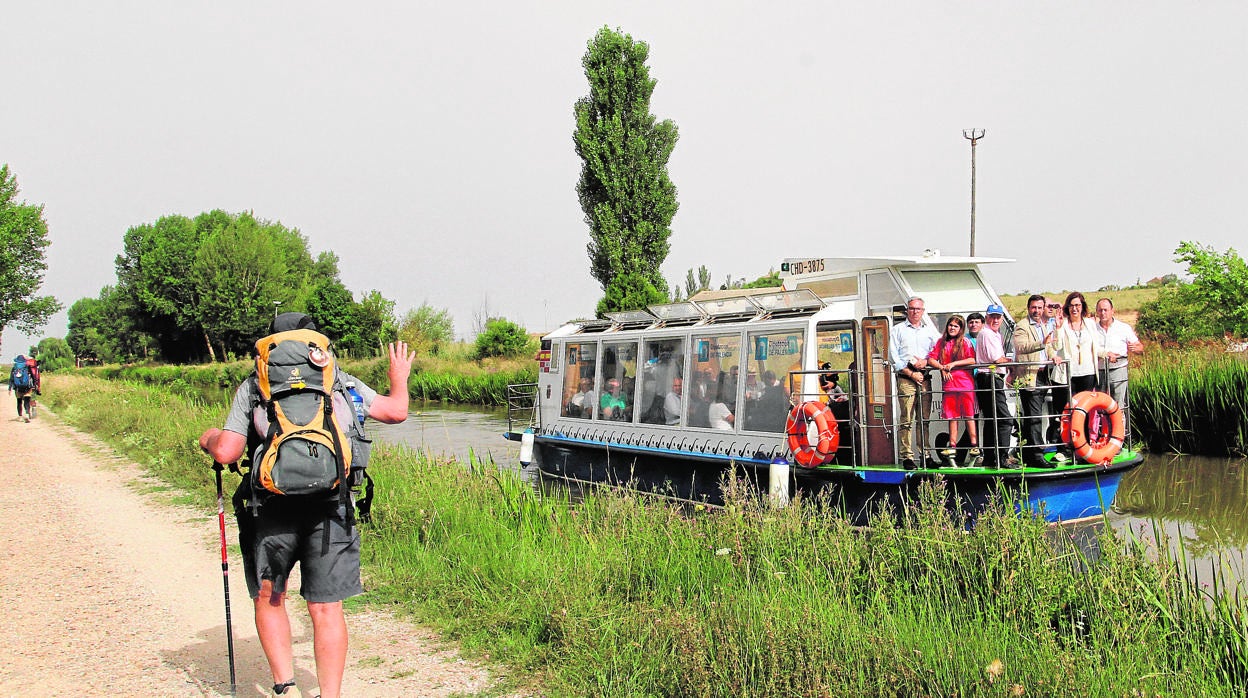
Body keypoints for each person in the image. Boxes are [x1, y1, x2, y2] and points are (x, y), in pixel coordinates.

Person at [199, 313, 414, 698]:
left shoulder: (256, 385)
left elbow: (228, 450)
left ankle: (283, 686)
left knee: (270, 595)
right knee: (326, 607)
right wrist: (399, 377)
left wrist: (209, 438)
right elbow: (396, 412)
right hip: (332, 507)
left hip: (270, 509)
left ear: (271, 347)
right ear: (318, 344)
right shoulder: (338, 381)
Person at [889, 296, 940, 468]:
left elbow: (937, 353)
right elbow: (894, 358)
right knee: (906, 418)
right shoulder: (897, 330)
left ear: (923, 311)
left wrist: (925, 363)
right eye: (912, 308)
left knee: (924, 418)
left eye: (918, 309)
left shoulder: (929, 332)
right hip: (906, 378)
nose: (915, 311)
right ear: (907, 310)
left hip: (925, 378)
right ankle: (907, 457)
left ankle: (925, 453)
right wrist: (911, 373)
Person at [1013, 295, 1060, 467]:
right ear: (1028, 308)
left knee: (1035, 415)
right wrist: (1042, 342)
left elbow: (1048, 347)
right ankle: (1037, 456)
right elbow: (1021, 347)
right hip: (1030, 375)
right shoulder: (1022, 326)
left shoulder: (1042, 325)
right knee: (1034, 416)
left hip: (1043, 374)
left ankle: (1028, 453)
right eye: (1034, 307)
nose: (1037, 311)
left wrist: (1054, 357)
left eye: (1040, 308)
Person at [927, 315, 978, 465]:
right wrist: (942, 367)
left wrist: (953, 364)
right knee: (952, 416)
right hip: (949, 385)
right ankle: (952, 445)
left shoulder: (965, 342)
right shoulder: (941, 342)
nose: (952, 328)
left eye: (956, 326)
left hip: (965, 384)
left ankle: (974, 445)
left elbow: (972, 360)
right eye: (950, 325)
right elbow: (931, 359)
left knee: (969, 415)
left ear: (961, 329)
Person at [975, 304, 1013, 467]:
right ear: (987, 317)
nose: (996, 320)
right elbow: (996, 359)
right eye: (993, 316)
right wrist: (1012, 361)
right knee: (1005, 419)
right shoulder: (988, 333)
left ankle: (991, 456)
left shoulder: (992, 333)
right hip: (991, 376)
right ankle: (1002, 457)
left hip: (987, 377)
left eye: (998, 317)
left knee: (991, 420)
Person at [1092, 298, 1144, 414]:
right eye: (1100, 310)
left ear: (1112, 311)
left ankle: (1119, 431)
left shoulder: (1123, 328)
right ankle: (1102, 431)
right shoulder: (1092, 329)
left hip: (1118, 370)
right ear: (1097, 312)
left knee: (1118, 405)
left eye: (1105, 310)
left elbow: (1139, 346)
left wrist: (1137, 348)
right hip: (1098, 372)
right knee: (1099, 405)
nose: (1103, 313)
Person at [1050, 291, 1102, 396]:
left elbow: (1097, 347)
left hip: (1088, 373)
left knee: (1084, 408)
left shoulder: (1090, 323)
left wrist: (1107, 354)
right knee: (1068, 408)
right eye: (1071, 306)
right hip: (1067, 374)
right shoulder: (1062, 324)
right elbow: (1056, 346)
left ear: (1082, 306)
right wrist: (1058, 328)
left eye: (1077, 305)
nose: (1074, 309)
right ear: (1067, 308)